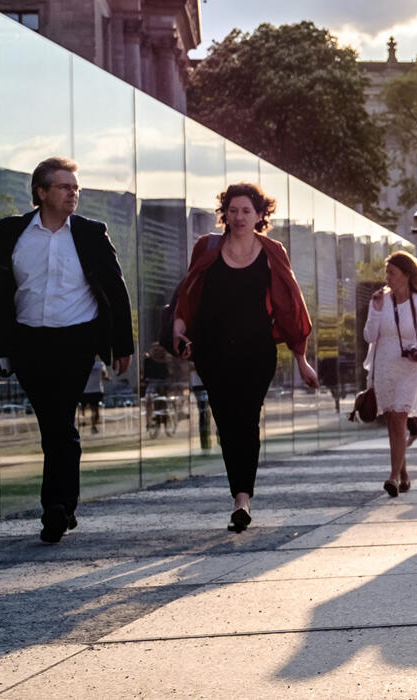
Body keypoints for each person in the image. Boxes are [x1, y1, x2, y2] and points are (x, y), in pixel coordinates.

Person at [0, 157, 134, 543]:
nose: (72, 193)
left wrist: (121, 345)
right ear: (41, 193)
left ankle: (56, 509)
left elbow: (115, 287)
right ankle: (62, 504)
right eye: (63, 187)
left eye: (75, 187)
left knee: (59, 420)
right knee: (54, 423)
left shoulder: (92, 232)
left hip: (76, 339)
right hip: (27, 340)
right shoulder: (13, 232)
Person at [171, 182, 319, 533]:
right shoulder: (206, 247)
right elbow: (188, 296)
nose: (238, 217)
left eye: (246, 211)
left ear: (259, 215)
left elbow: (291, 305)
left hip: (257, 351)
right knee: (227, 422)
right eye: (233, 210)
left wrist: (301, 359)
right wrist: (179, 330)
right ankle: (238, 493)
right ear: (225, 213)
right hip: (213, 351)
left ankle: (242, 499)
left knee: (247, 419)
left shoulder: (272, 252)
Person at [365, 251, 417, 497]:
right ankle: (403, 474)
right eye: (386, 273)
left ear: (406, 275)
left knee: (400, 416)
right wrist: (374, 310)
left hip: (409, 368)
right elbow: (369, 336)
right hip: (384, 364)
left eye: (392, 273)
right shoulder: (380, 301)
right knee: (392, 422)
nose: (387, 278)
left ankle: (393, 477)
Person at [78, 359, 107, 435]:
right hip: (87, 391)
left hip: (94, 391)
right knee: (90, 410)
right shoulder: (100, 364)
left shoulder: (101, 364)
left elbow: (104, 375)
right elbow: (105, 376)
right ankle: (85, 423)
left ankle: (92, 426)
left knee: (94, 410)